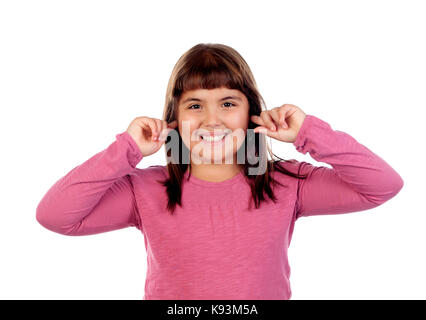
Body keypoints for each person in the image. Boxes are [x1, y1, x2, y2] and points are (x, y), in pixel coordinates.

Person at [36, 43, 404, 300]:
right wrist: (126, 149)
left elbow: (382, 185)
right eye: (195, 105)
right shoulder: (145, 189)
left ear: (251, 113)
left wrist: (308, 132)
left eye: (228, 103)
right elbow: (56, 216)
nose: (212, 119)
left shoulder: (287, 182)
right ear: (175, 120)